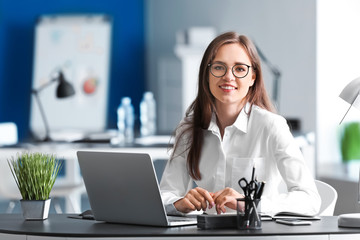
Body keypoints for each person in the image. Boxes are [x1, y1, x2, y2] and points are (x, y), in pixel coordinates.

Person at [160, 31, 320, 216]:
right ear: (207, 75)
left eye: (240, 69)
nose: (228, 77)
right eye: (219, 67)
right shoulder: (189, 129)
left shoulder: (272, 126)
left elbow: (309, 199)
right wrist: (180, 202)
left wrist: (250, 203)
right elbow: (165, 195)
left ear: (253, 77)